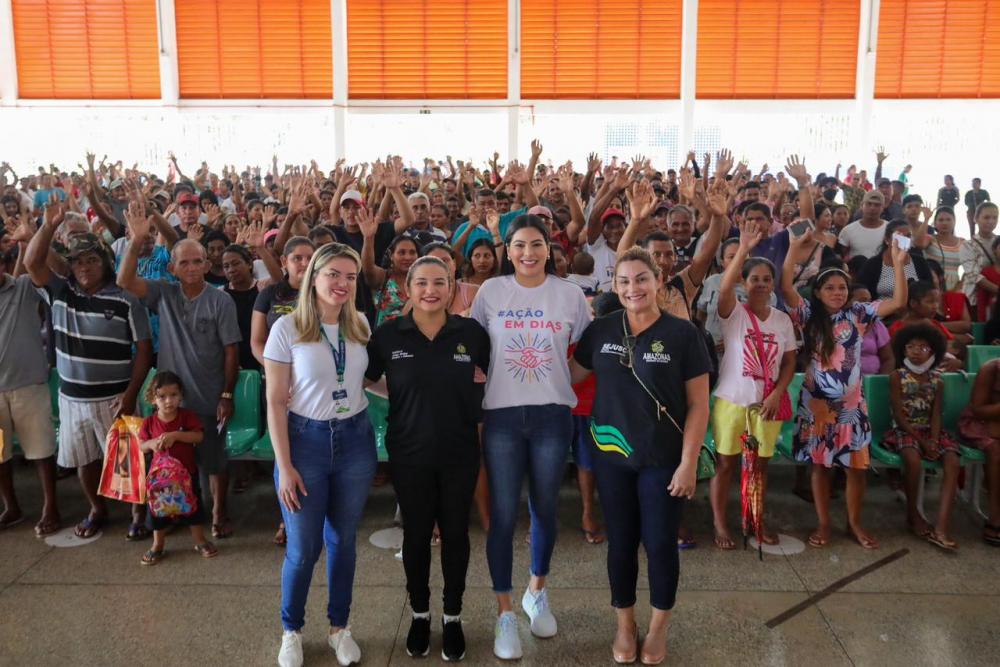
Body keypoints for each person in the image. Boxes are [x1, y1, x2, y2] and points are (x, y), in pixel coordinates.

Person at [569, 247, 709, 665]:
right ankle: (625, 625)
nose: (634, 289)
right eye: (625, 281)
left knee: (661, 544)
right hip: (612, 455)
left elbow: (699, 405)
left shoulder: (684, 334)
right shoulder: (601, 330)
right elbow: (567, 377)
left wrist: (688, 463)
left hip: (663, 459)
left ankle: (658, 629)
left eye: (642, 279)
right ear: (614, 286)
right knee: (621, 545)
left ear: (659, 281)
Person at [470, 214, 592, 660]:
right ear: (507, 250)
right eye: (519, 245)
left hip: (552, 417)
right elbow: (473, 347)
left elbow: (589, 352)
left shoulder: (570, 295)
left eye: (536, 244)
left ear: (549, 249)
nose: (528, 253)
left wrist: (562, 383)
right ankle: (504, 610)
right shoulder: (490, 293)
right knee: (502, 515)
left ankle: (535, 589)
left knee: (545, 507)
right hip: (501, 416)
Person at [365, 256, 490, 662]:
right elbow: (366, 379)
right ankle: (420, 614)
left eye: (440, 282)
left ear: (452, 286)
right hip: (409, 452)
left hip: (460, 452)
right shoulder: (389, 336)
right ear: (408, 289)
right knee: (416, 536)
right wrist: (399, 395)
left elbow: (487, 380)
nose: (430, 290)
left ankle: (452, 616)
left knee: (456, 535)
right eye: (421, 283)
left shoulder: (471, 334)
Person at [264, 243, 376, 667]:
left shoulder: (361, 323)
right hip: (305, 441)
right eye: (333, 274)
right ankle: (291, 630)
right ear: (313, 276)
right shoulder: (287, 328)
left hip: (355, 441)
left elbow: (366, 381)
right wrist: (286, 466)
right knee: (303, 546)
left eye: (350, 276)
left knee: (343, 541)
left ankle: (339, 628)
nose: (342, 283)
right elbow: (275, 402)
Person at [24, 198, 153, 540]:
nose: (84, 267)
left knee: (127, 460)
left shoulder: (125, 299)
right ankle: (97, 508)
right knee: (85, 459)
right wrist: (48, 226)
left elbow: (144, 350)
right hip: (73, 399)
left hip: (115, 397)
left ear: (106, 263)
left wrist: (130, 395)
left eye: (92, 260)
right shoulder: (60, 293)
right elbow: (31, 261)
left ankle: (138, 511)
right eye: (78, 261)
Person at [118, 200, 241, 541]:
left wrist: (227, 394)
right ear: (172, 267)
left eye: (197, 261)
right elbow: (125, 279)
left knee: (214, 461)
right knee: (172, 460)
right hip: (171, 401)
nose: (191, 267)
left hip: (210, 395)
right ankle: (176, 510)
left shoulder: (221, 301)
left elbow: (232, 351)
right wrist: (136, 239)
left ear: (206, 264)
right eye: (184, 262)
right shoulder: (163, 294)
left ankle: (218, 513)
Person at [781, 230, 909, 549]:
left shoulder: (858, 314)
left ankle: (854, 523)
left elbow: (899, 301)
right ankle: (824, 524)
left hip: (852, 405)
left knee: (856, 468)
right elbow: (785, 286)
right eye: (830, 288)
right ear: (819, 291)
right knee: (821, 467)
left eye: (842, 287)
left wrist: (897, 264)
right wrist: (794, 249)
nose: (837, 293)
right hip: (818, 405)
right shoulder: (808, 315)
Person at [709, 222, 797, 550]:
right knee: (727, 463)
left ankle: (753, 519)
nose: (760, 284)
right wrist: (743, 249)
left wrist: (776, 393)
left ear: (773, 284)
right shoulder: (734, 313)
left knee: (758, 466)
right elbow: (723, 288)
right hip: (732, 401)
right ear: (745, 283)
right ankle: (720, 524)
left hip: (767, 404)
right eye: (754, 279)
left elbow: (789, 363)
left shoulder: (782, 320)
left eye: (766, 279)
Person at [251, 236, 316, 546]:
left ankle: (314, 512)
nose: (304, 263)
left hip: (314, 388)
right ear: (285, 262)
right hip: (280, 386)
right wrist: (277, 371)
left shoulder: (324, 292)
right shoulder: (270, 294)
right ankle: (287, 516)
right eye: (297, 257)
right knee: (285, 451)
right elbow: (256, 341)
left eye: (309, 257)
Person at [0, 237, 61, 536]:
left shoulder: (23, 287)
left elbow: (38, 266)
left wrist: (31, 237)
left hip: (28, 386)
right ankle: (11, 506)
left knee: (41, 450)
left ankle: (51, 506)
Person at [884, 324, 961, 550]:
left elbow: (937, 414)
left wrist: (934, 440)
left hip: (930, 430)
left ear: (933, 351)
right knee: (912, 460)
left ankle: (941, 526)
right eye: (911, 346)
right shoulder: (897, 376)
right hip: (906, 430)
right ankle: (913, 513)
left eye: (922, 347)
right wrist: (922, 441)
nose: (916, 351)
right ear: (903, 350)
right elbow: (898, 415)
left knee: (952, 460)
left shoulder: (937, 379)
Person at [138, 371, 218, 564]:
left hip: (187, 475)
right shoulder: (149, 422)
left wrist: (176, 435)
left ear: (181, 395)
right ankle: (158, 545)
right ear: (152, 398)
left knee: (193, 508)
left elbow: (198, 436)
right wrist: (152, 443)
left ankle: (199, 540)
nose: (168, 401)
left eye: (173, 395)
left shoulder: (186, 417)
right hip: (160, 480)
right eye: (162, 396)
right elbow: (141, 445)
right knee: (157, 512)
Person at [958, 357, 1000, 546]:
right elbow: (979, 410)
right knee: (995, 450)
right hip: (979, 423)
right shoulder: (990, 369)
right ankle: (995, 517)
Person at [358, 204, 420, 326]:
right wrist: (368, 238)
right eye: (401, 252)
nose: (407, 257)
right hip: (384, 341)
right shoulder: (383, 277)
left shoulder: (422, 281)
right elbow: (368, 268)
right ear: (391, 255)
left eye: (412, 252)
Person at [858, 220, 931, 301]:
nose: (905, 240)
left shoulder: (919, 262)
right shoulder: (872, 265)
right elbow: (863, 295)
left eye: (908, 236)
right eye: (900, 237)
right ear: (887, 240)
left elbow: (929, 290)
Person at [960, 202, 998, 318]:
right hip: (975, 298)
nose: (991, 221)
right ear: (976, 219)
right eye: (986, 217)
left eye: (995, 217)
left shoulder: (998, 241)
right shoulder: (968, 245)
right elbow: (974, 276)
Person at [850, 285, 894, 375]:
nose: (867, 304)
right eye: (862, 300)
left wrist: (880, 381)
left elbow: (888, 359)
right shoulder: (838, 323)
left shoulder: (876, 324)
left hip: (873, 380)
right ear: (847, 302)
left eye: (869, 301)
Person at [924, 206, 965, 291]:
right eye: (941, 220)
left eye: (948, 219)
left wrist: (959, 286)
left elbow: (969, 268)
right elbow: (918, 243)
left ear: (954, 222)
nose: (945, 223)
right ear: (935, 223)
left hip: (956, 289)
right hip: (931, 287)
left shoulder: (963, 242)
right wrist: (926, 219)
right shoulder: (929, 239)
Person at [838, 190, 887, 260]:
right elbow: (841, 258)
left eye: (877, 205)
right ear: (861, 205)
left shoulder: (891, 229)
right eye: (869, 204)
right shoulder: (848, 230)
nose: (872, 208)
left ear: (883, 208)